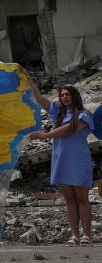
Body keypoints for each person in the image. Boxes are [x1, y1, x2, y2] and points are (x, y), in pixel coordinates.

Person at [27, 79, 96, 246]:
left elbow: (68, 130)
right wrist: (28, 79)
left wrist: (44, 135)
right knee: (69, 199)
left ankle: (86, 235)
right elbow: (39, 97)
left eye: (68, 94)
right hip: (61, 160)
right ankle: (74, 235)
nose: (64, 97)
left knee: (81, 198)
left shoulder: (84, 115)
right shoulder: (58, 113)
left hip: (78, 160)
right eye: (62, 95)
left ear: (74, 96)